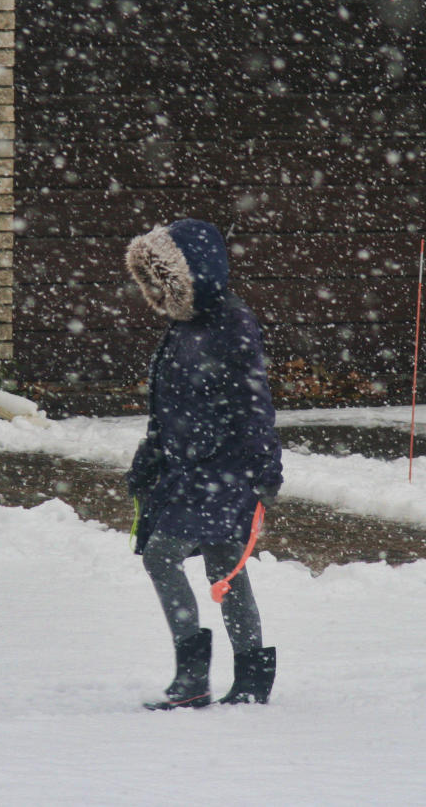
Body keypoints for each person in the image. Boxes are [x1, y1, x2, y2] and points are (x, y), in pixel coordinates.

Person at [124, 218, 283, 710]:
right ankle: (249, 681)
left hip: (224, 467)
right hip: (188, 466)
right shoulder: (183, 326)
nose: (154, 290)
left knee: (162, 555)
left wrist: (264, 465)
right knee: (223, 567)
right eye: (148, 280)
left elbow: (254, 398)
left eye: (162, 277)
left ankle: (193, 679)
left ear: (194, 273)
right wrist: (150, 456)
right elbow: (166, 403)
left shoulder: (232, 321)